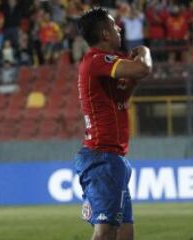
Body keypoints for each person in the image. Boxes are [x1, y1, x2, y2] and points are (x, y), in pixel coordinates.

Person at [74, 7, 152, 240]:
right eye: (114, 25)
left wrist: (133, 78)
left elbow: (122, 97)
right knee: (106, 232)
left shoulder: (103, 64)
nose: (119, 28)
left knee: (124, 233)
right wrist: (145, 51)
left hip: (113, 158)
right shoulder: (97, 60)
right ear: (106, 34)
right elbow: (143, 68)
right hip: (102, 157)